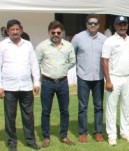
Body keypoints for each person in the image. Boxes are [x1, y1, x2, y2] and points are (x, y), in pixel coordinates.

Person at [0, 19, 40, 151]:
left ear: (21, 30)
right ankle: (12, 142)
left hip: (26, 86)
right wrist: (0, 86)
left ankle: (30, 140)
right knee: (10, 116)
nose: (15, 32)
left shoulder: (28, 45)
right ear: (8, 31)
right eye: (12, 30)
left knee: (28, 115)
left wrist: (36, 82)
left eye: (17, 29)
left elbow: (34, 64)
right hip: (9, 87)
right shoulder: (2, 45)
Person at [35, 20, 76, 148]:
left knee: (64, 111)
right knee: (46, 111)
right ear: (49, 32)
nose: (56, 34)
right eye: (53, 32)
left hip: (63, 82)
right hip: (47, 82)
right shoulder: (42, 46)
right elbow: (36, 63)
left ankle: (63, 136)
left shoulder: (68, 46)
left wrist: (62, 68)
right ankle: (46, 137)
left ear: (62, 32)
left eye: (58, 32)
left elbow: (72, 61)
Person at [102, 15, 129, 146]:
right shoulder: (109, 41)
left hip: (128, 77)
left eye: (124, 24)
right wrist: (108, 80)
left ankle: (125, 132)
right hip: (114, 77)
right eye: (120, 24)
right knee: (111, 108)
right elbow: (104, 61)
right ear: (115, 26)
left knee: (126, 107)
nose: (122, 27)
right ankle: (112, 135)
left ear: (127, 25)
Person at [71, 13, 107, 143]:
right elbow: (71, 54)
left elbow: (107, 58)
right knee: (83, 106)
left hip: (98, 78)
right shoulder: (78, 38)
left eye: (95, 23)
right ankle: (83, 133)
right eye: (90, 23)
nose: (92, 25)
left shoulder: (104, 39)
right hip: (83, 77)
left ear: (98, 25)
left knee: (98, 106)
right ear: (86, 24)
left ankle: (98, 132)